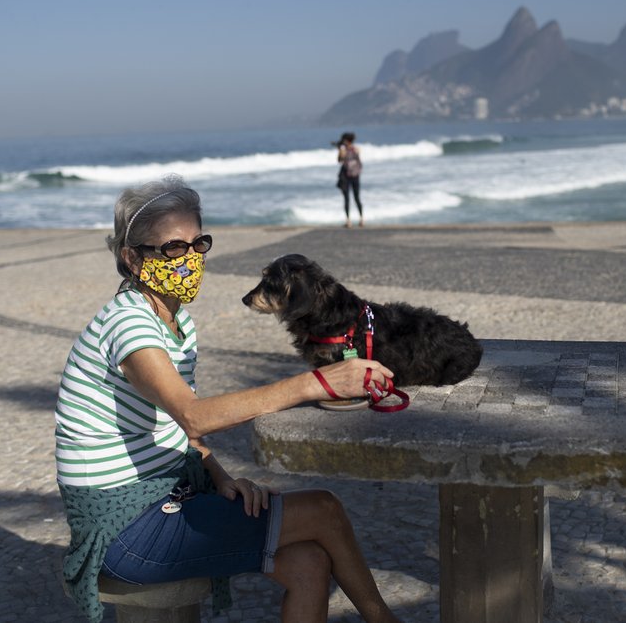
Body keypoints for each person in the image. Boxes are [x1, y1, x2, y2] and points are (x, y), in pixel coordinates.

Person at [56, 175, 400, 623]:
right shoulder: (130, 325)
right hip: (125, 528)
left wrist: (218, 475)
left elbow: (177, 430)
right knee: (325, 510)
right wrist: (316, 383)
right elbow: (194, 417)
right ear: (132, 258)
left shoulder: (174, 324)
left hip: (164, 497)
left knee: (309, 564)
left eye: (198, 245)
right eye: (172, 249)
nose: (190, 259)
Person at [335, 132, 364, 227]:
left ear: (346, 140)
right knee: (357, 197)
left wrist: (341, 150)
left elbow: (339, 160)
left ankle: (349, 221)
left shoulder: (345, 150)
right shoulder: (356, 149)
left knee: (347, 198)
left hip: (347, 176)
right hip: (356, 175)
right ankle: (361, 219)